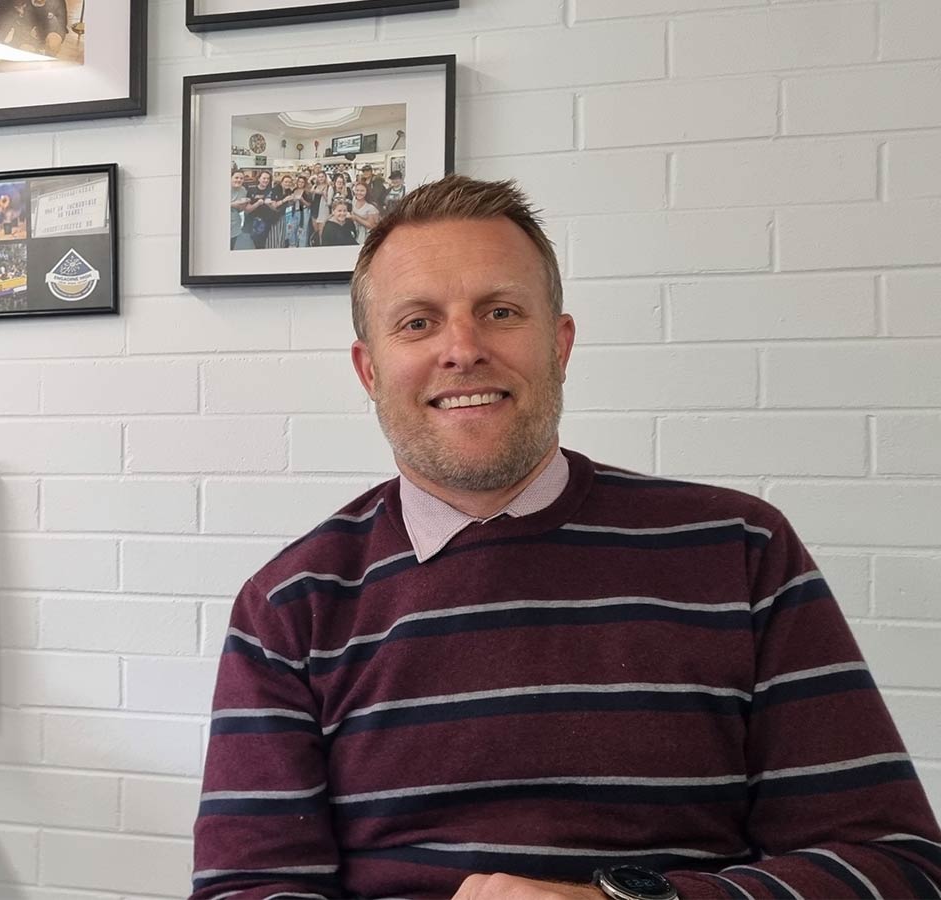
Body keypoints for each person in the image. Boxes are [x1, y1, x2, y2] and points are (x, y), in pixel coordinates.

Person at [191, 175, 941, 900]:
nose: (462, 349)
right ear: (369, 369)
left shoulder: (741, 552)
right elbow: (246, 889)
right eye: (417, 322)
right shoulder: (289, 607)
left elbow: (894, 865)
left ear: (560, 343)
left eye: (501, 312)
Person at [349, 179, 382, 245]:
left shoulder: (371, 207)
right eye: (357, 190)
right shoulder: (354, 201)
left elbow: (371, 225)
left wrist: (356, 218)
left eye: (362, 191)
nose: (359, 193)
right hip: (355, 232)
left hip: (365, 236)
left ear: (367, 192)